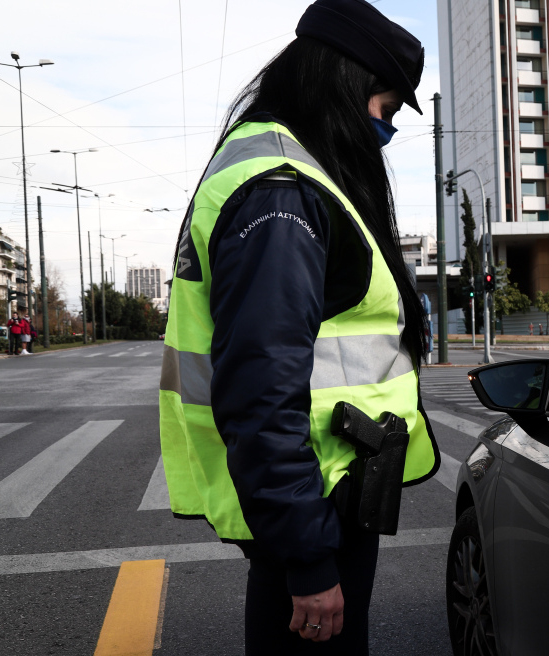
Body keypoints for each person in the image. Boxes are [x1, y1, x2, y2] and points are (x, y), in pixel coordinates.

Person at [157, 2, 439, 653]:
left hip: (322, 502)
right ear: (345, 85)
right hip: (315, 509)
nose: (386, 130)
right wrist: (308, 561)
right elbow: (259, 390)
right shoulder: (285, 194)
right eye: (388, 109)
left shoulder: (288, 180)